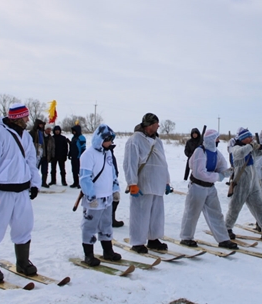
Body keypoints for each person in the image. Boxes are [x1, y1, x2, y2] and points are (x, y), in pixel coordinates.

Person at [0, 103, 41, 283]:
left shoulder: (26, 137)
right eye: (25, 117)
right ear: (17, 117)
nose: (28, 119)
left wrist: (34, 183)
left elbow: (31, 161)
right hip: (2, 191)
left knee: (24, 226)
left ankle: (22, 262)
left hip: (21, 191)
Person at [179, 129, 238, 249]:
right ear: (211, 139)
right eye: (217, 138)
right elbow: (199, 172)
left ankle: (223, 239)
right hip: (197, 187)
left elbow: (222, 165)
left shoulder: (216, 152)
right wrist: (218, 176)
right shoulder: (200, 152)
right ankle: (186, 237)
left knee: (216, 214)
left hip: (210, 187)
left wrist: (224, 172)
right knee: (192, 212)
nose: (218, 140)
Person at [123, 113, 171, 253]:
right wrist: (132, 183)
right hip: (143, 183)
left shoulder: (158, 141)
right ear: (150, 125)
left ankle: (153, 239)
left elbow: (163, 163)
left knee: (156, 213)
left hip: (158, 183)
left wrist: (166, 181)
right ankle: (137, 242)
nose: (159, 126)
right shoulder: (135, 140)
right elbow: (129, 163)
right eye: (157, 123)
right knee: (140, 213)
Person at [79, 124, 122, 266]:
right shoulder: (88, 154)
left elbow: (112, 173)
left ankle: (108, 251)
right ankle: (89, 254)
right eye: (108, 140)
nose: (111, 143)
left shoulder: (108, 153)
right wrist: (90, 196)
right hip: (94, 199)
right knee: (90, 226)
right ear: (100, 139)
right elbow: (85, 177)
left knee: (106, 225)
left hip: (107, 198)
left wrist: (115, 189)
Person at [225, 128, 262, 242]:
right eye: (249, 137)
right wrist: (251, 146)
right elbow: (239, 153)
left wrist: (259, 146)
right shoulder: (236, 148)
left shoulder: (251, 149)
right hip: (240, 183)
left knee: (259, 207)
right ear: (243, 138)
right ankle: (227, 228)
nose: (252, 139)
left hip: (253, 184)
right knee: (235, 208)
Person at [69, 124, 86, 189]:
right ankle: (75, 182)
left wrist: (82, 155)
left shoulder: (81, 137)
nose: (73, 132)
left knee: (79, 170)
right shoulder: (73, 138)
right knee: (74, 170)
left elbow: (83, 147)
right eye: (73, 131)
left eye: (74, 131)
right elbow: (72, 147)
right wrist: (69, 153)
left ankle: (80, 183)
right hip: (74, 156)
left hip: (79, 157)